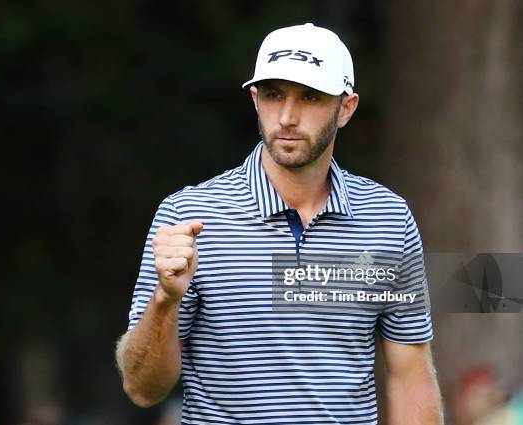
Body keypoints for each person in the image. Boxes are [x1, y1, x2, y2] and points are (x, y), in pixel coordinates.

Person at [116, 23, 443, 424]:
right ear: (255, 99)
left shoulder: (388, 218)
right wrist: (166, 300)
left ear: (346, 108)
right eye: (274, 95)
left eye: (309, 97)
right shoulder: (189, 215)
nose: (287, 117)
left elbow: (410, 376)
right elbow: (143, 389)